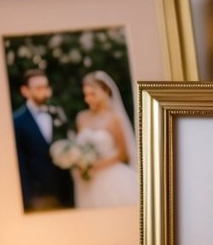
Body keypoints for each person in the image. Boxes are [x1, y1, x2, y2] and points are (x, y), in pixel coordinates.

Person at [72, 71, 138, 209]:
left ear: (105, 91)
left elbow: (123, 154)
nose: (88, 99)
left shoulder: (114, 118)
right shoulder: (81, 117)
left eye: (92, 94)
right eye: (86, 94)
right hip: (87, 181)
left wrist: (98, 165)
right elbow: (78, 147)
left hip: (112, 178)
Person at [12, 69, 75, 212]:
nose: (43, 91)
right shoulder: (16, 121)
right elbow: (20, 163)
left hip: (64, 192)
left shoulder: (57, 114)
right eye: (38, 88)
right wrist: (28, 198)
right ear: (25, 91)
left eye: (45, 87)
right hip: (37, 195)